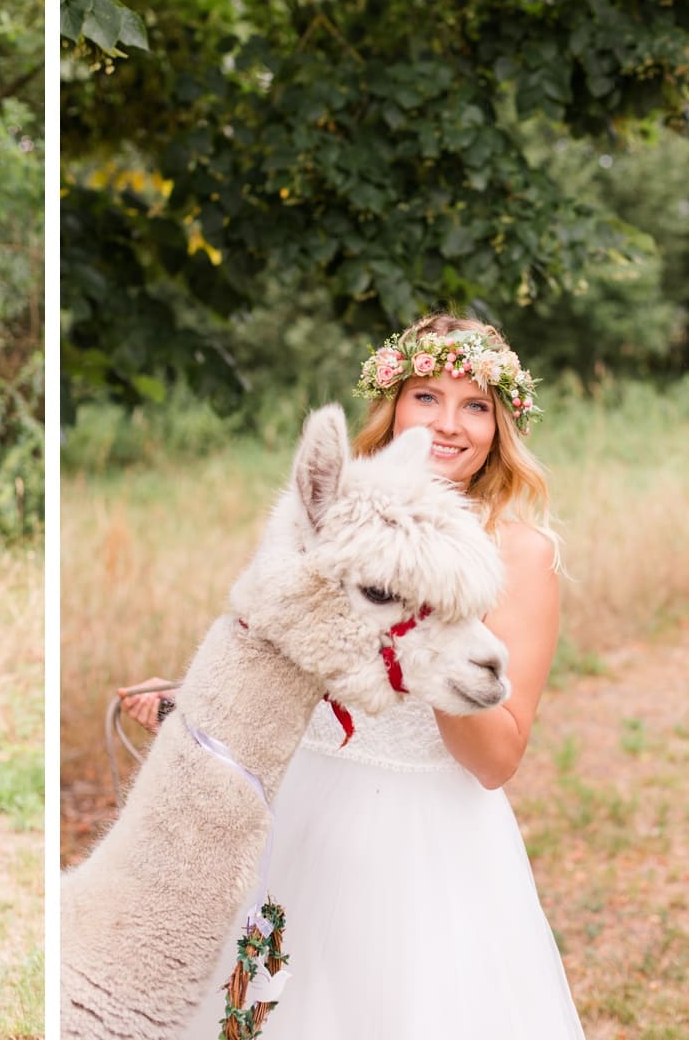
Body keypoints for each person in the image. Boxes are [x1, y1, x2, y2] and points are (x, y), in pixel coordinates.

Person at [120, 313, 584, 1038]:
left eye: (475, 405)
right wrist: (190, 700)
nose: (449, 424)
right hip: (304, 804)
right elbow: (307, 659)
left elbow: (498, 759)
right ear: (394, 404)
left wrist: (434, 639)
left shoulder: (520, 554)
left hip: (427, 837)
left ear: (501, 425)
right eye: (427, 396)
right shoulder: (344, 519)